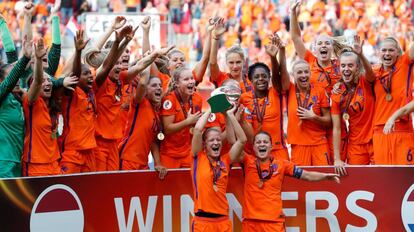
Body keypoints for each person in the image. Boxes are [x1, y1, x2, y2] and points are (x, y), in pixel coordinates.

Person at [241, 131, 340, 231]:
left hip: (274, 222)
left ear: (271, 146)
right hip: (251, 222)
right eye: (258, 142)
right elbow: (235, 142)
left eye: (265, 142)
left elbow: (306, 175)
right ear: (253, 147)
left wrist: (325, 176)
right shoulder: (247, 161)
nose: (262, 144)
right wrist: (230, 116)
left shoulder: (282, 164)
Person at [290, 0, 347, 162]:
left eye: (327, 43)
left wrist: (341, 85)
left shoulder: (341, 66)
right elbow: (295, 37)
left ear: (332, 48)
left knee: (338, 165)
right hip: (316, 125)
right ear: (315, 49)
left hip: (337, 124)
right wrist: (293, 13)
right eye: (319, 43)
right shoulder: (309, 60)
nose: (323, 46)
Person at [118, 47, 176, 178]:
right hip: (127, 160)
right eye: (154, 86)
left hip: (143, 163)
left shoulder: (155, 111)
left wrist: (158, 163)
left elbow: (153, 141)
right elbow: (143, 84)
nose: (159, 88)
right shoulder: (139, 102)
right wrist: (150, 58)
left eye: (160, 86)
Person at [190, 106, 247, 231]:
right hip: (202, 223)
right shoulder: (198, 158)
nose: (216, 143)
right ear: (204, 144)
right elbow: (198, 130)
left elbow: (242, 140)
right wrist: (211, 108)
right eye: (211, 140)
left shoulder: (226, 160)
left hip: (223, 222)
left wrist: (230, 115)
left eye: (218, 140)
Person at [240, 33, 290, 160]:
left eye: (264, 76)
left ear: (269, 78)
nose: (261, 79)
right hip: (254, 152)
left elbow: (278, 79)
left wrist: (273, 57)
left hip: (278, 151)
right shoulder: (244, 98)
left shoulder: (275, 92)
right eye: (256, 77)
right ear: (250, 80)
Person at [331, 36, 376, 175]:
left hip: (375, 141)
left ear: (357, 68)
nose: (346, 69)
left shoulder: (365, 82)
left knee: (380, 179)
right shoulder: (337, 93)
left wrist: (360, 54)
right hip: (355, 145)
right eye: (343, 66)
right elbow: (337, 128)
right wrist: (337, 159)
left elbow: (371, 74)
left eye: (350, 65)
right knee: (358, 179)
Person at [366, 36, 414, 164]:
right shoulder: (375, 72)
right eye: (384, 50)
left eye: (391, 50)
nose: (387, 53)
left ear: (398, 52)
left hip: (402, 130)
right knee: (383, 177)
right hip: (379, 132)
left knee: (405, 176)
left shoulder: (404, 64)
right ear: (378, 52)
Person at [22, 39, 62, 176]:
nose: (47, 83)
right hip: (35, 164)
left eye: (49, 80)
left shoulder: (54, 105)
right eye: (44, 81)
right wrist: (39, 60)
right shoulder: (31, 102)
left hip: (54, 163)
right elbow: (38, 80)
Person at [287, 60, 332, 166]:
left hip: (319, 144)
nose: (303, 75)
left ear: (310, 73)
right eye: (299, 72)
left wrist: (314, 117)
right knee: (301, 181)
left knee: (324, 180)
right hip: (298, 145)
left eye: (306, 72)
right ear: (293, 75)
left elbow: (329, 121)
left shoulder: (319, 91)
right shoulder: (289, 90)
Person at [0, 38, 32, 178]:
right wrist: (24, 58)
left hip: (18, 161)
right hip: (3, 163)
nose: (18, 80)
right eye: (14, 77)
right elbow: (9, 83)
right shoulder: (1, 97)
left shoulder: (19, 98)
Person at [160, 66, 203, 168]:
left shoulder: (197, 98)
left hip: (188, 152)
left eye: (192, 78)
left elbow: (195, 127)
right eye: (186, 79)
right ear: (177, 84)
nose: (191, 81)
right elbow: (167, 129)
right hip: (170, 154)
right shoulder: (169, 100)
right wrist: (187, 122)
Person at [210, 18, 253, 93]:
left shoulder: (251, 82)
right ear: (226, 62)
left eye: (238, 62)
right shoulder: (222, 78)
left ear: (244, 61)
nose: (235, 66)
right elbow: (213, 63)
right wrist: (216, 38)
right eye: (231, 62)